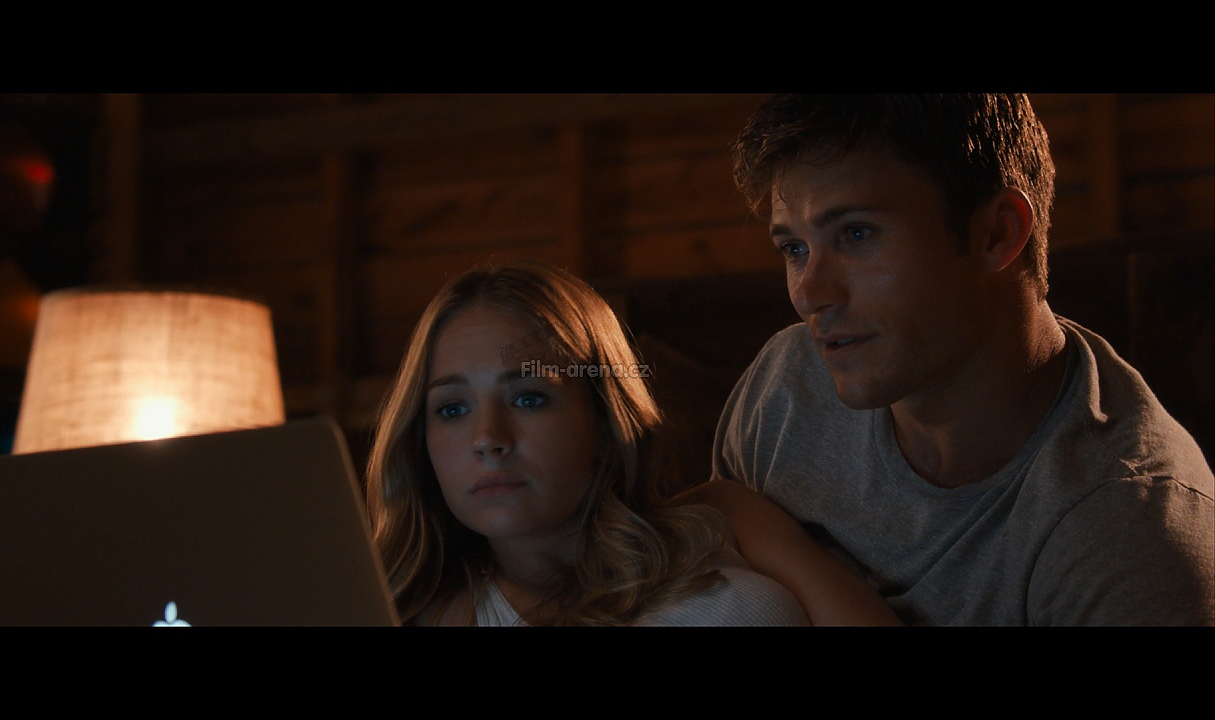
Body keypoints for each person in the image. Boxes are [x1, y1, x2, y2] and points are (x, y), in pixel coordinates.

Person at [701, 93, 1214, 626]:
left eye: (856, 234)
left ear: (997, 233)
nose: (809, 295)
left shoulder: (1131, 534)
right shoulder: (785, 389)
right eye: (794, 249)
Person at [364, 260, 810, 626]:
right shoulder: (401, 611)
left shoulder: (722, 588)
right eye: (452, 409)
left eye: (528, 398)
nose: (487, 439)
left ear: (604, 421)